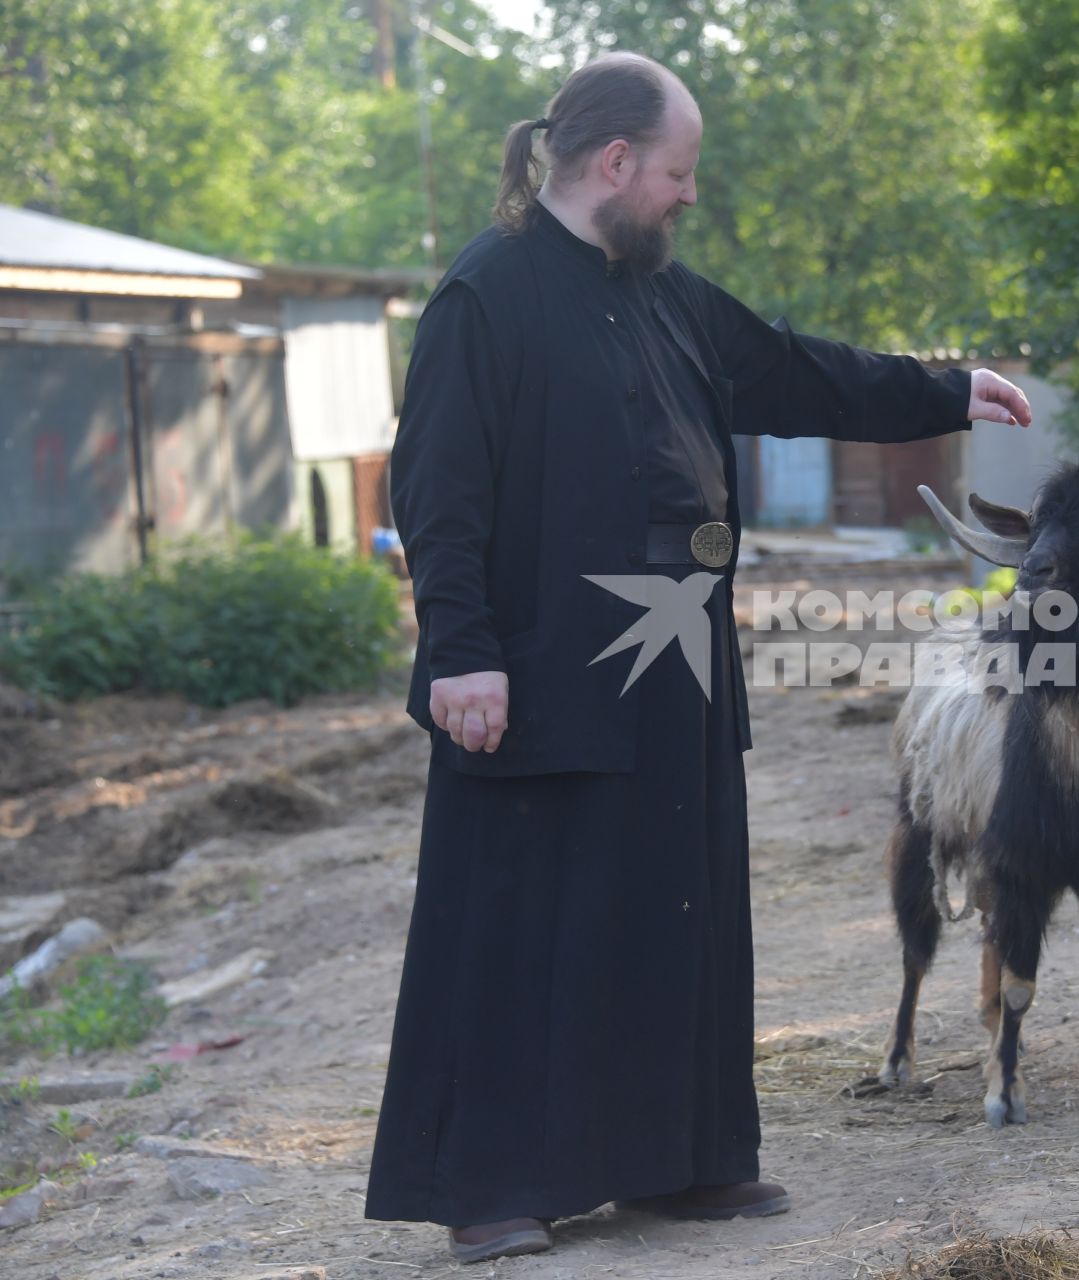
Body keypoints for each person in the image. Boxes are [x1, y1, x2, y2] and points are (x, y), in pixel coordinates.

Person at [365, 51, 1031, 1264]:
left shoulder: (667, 293)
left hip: (673, 675)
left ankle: (677, 1159)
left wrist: (949, 388)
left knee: (669, 920)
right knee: (523, 927)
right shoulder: (487, 294)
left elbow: (792, 367)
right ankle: (493, 1183)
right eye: (677, 173)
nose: (687, 195)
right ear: (613, 164)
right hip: (534, 676)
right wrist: (461, 651)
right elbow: (440, 491)